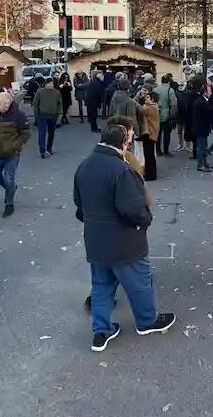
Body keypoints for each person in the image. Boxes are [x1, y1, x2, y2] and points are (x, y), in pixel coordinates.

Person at [74, 122, 175, 352]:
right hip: (124, 242)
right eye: (129, 138)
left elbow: (79, 204)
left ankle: (101, 331)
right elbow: (132, 210)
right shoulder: (122, 170)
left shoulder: (84, 166)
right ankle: (147, 321)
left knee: (101, 285)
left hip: (96, 240)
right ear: (123, 143)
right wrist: (145, 220)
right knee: (139, 282)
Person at [0, 91, 30, 217]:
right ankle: (11, 189)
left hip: (12, 154)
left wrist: (14, 145)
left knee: (9, 179)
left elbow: (26, 133)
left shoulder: (19, 116)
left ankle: (9, 204)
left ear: (7, 104)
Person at [33, 76, 63, 158]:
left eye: (52, 83)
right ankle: (42, 151)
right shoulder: (40, 92)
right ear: (45, 84)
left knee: (51, 133)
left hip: (53, 116)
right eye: (49, 83)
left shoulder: (56, 92)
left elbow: (60, 103)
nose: (51, 85)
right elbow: (35, 104)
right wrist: (36, 114)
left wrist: (58, 113)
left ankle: (49, 148)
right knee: (42, 133)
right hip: (42, 116)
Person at [191, 79, 213, 173]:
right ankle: (201, 164)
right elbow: (211, 110)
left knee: (203, 146)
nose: (211, 93)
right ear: (205, 92)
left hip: (200, 127)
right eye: (209, 91)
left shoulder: (200, 101)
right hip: (201, 127)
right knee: (201, 146)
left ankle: (204, 163)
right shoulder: (202, 102)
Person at [135, 92, 159, 181]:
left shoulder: (150, 107)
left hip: (150, 133)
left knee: (149, 155)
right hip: (150, 133)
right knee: (149, 154)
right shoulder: (153, 106)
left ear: (153, 99)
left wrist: (135, 101)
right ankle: (150, 173)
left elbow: (141, 110)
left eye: (148, 97)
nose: (146, 98)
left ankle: (151, 174)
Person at [153, 74, 178, 156]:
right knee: (167, 133)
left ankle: (158, 150)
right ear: (168, 82)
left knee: (158, 133)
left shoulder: (155, 89)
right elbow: (173, 104)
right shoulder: (170, 90)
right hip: (167, 114)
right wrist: (173, 116)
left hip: (156, 113)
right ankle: (166, 151)